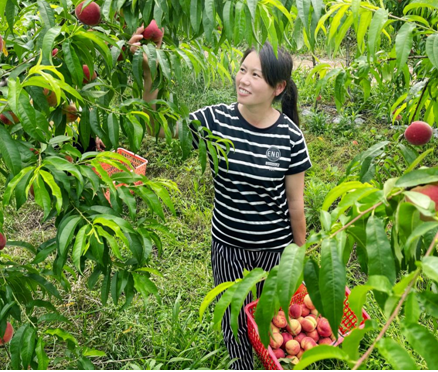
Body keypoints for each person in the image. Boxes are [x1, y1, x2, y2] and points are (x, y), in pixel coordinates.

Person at [131, 29, 312, 369]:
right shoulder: (217, 120)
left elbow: (295, 203)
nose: (243, 79)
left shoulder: (289, 136)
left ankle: (275, 362)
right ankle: (240, 364)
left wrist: (298, 255)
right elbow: (157, 126)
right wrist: (148, 71)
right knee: (234, 314)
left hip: (275, 248)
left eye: (255, 75)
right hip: (228, 244)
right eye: (242, 69)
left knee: (274, 316)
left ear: (278, 88)